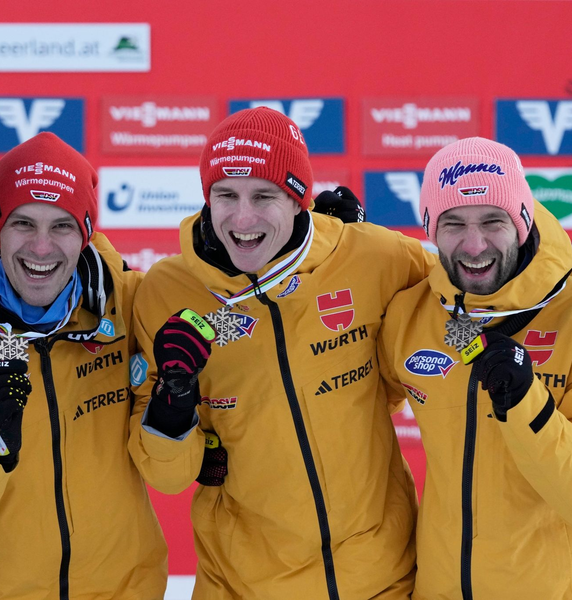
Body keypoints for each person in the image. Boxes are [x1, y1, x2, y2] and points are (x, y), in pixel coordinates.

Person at [127, 107, 435, 599]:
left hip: (381, 580)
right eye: (225, 194)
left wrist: (347, 264)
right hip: (243, 586)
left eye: (265, 195)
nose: (242, 218)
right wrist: (174, 396)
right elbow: (167, 477)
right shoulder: (164, 293)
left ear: (298, 201)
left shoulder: (378, 258)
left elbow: (411, 369)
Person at [0, 132, 168, 600]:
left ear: (85, 232)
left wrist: (319, 263)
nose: (41, 249)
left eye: (61, 225)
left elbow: (235, 316)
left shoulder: (132, 305)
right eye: (23, 223)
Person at [378, 137, 572, 598]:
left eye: (492, 221)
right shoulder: (410, 315)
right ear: (429, 228)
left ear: (523, 222)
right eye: (453, 223)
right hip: (437, 587)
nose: (474, 244)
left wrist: (527, 405)